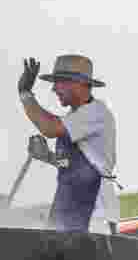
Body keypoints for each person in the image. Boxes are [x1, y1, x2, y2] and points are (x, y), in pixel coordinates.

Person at [16, 54, 118, 232]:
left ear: (77, 83)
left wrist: (25, 94)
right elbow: (70, 165)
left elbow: (50, 128)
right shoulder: (74, 118)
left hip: (92, 216)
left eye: (58, 82)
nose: (54, 89)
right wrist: (47, 156)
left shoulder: (96, 112)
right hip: (67, 211)